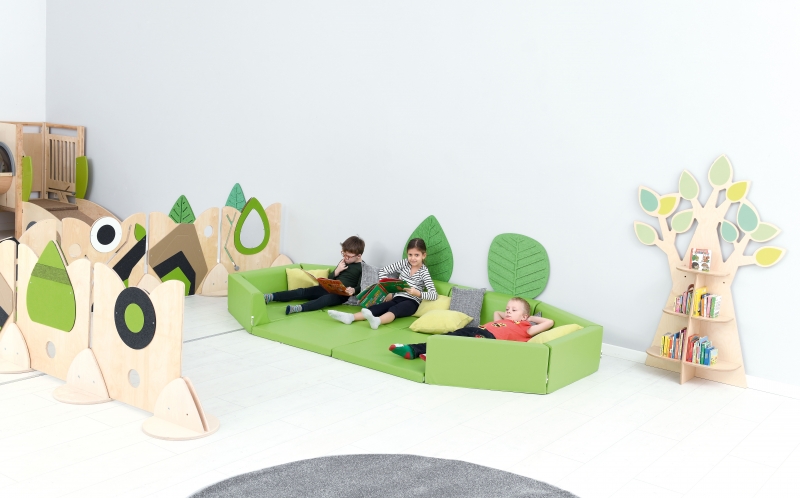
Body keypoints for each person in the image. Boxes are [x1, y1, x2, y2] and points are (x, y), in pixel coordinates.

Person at [388, 297, 554, 360]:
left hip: (488, 339)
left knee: (462, 347)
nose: (508, 312)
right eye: (508, 309)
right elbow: (497, 313)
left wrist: (529, 318)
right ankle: (413, 350)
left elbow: (549, 322)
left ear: (524, 316)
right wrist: (511, 315)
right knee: (447, 337)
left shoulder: (526, 328)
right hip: (477, 329)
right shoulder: (505, 320)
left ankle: (435, 356)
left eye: (513, 310)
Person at [328, 238, 437, 329]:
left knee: (395, 310)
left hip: (412, 302)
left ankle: (378, 321)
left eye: (416, 255)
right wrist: (387, 289)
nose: (412, 258)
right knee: (379, 307)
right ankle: (350, 317)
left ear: (423, 255)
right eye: (410, 255)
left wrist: (417, 293)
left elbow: (433, 295)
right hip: (397, 297)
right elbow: (383, 271)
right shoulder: (404, 263)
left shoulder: (424, 272)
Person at [265, 236, 364, 314]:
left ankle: (298, 308)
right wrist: (337, 271)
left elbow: (362, 287)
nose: (345, 258)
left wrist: (353, 290)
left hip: (341, 295)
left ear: (358, 256)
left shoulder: (363, 267)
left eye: (348, 256)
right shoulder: (343, 262)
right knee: (302, 291)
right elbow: (330, 277)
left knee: (325, 299)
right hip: (329, 288)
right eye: (343, 254)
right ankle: (271, 296)